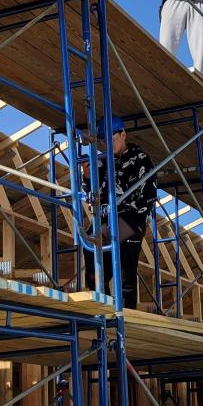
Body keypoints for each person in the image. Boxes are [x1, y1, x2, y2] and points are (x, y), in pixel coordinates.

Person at [82, 116, 156, 310]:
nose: (108, 144)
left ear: (123, 135)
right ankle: (103, 304)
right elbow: (91, 194)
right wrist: (88, 178)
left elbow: (148, 194)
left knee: (125, 270)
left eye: (112, 139)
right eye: (104, 141)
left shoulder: (140, 159)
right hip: (107, 219)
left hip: (132, 218)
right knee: (89, 244)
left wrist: (135, 216)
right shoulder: (101, 163)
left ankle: (126, 316)